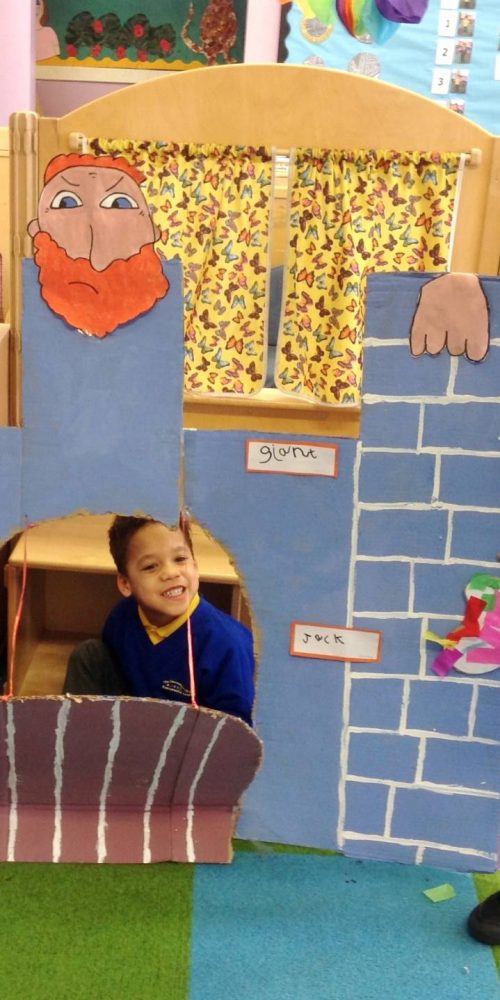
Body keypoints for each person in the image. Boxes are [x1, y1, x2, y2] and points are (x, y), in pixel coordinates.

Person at [64, 515, 255, 727]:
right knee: (88, 654)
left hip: (187, 738)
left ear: (195, 566)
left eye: (180, 559)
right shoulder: (121, 617)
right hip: (134, 723)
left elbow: (237, 731)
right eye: (150, 567)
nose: (171, 573)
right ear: (126, 584)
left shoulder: (227, 645)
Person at [28, 153, 169, 337]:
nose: (95, 223)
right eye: (66, 202)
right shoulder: (36, 294)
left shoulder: (157, 303)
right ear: (36, 227)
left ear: (152, 231)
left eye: (119, 203)